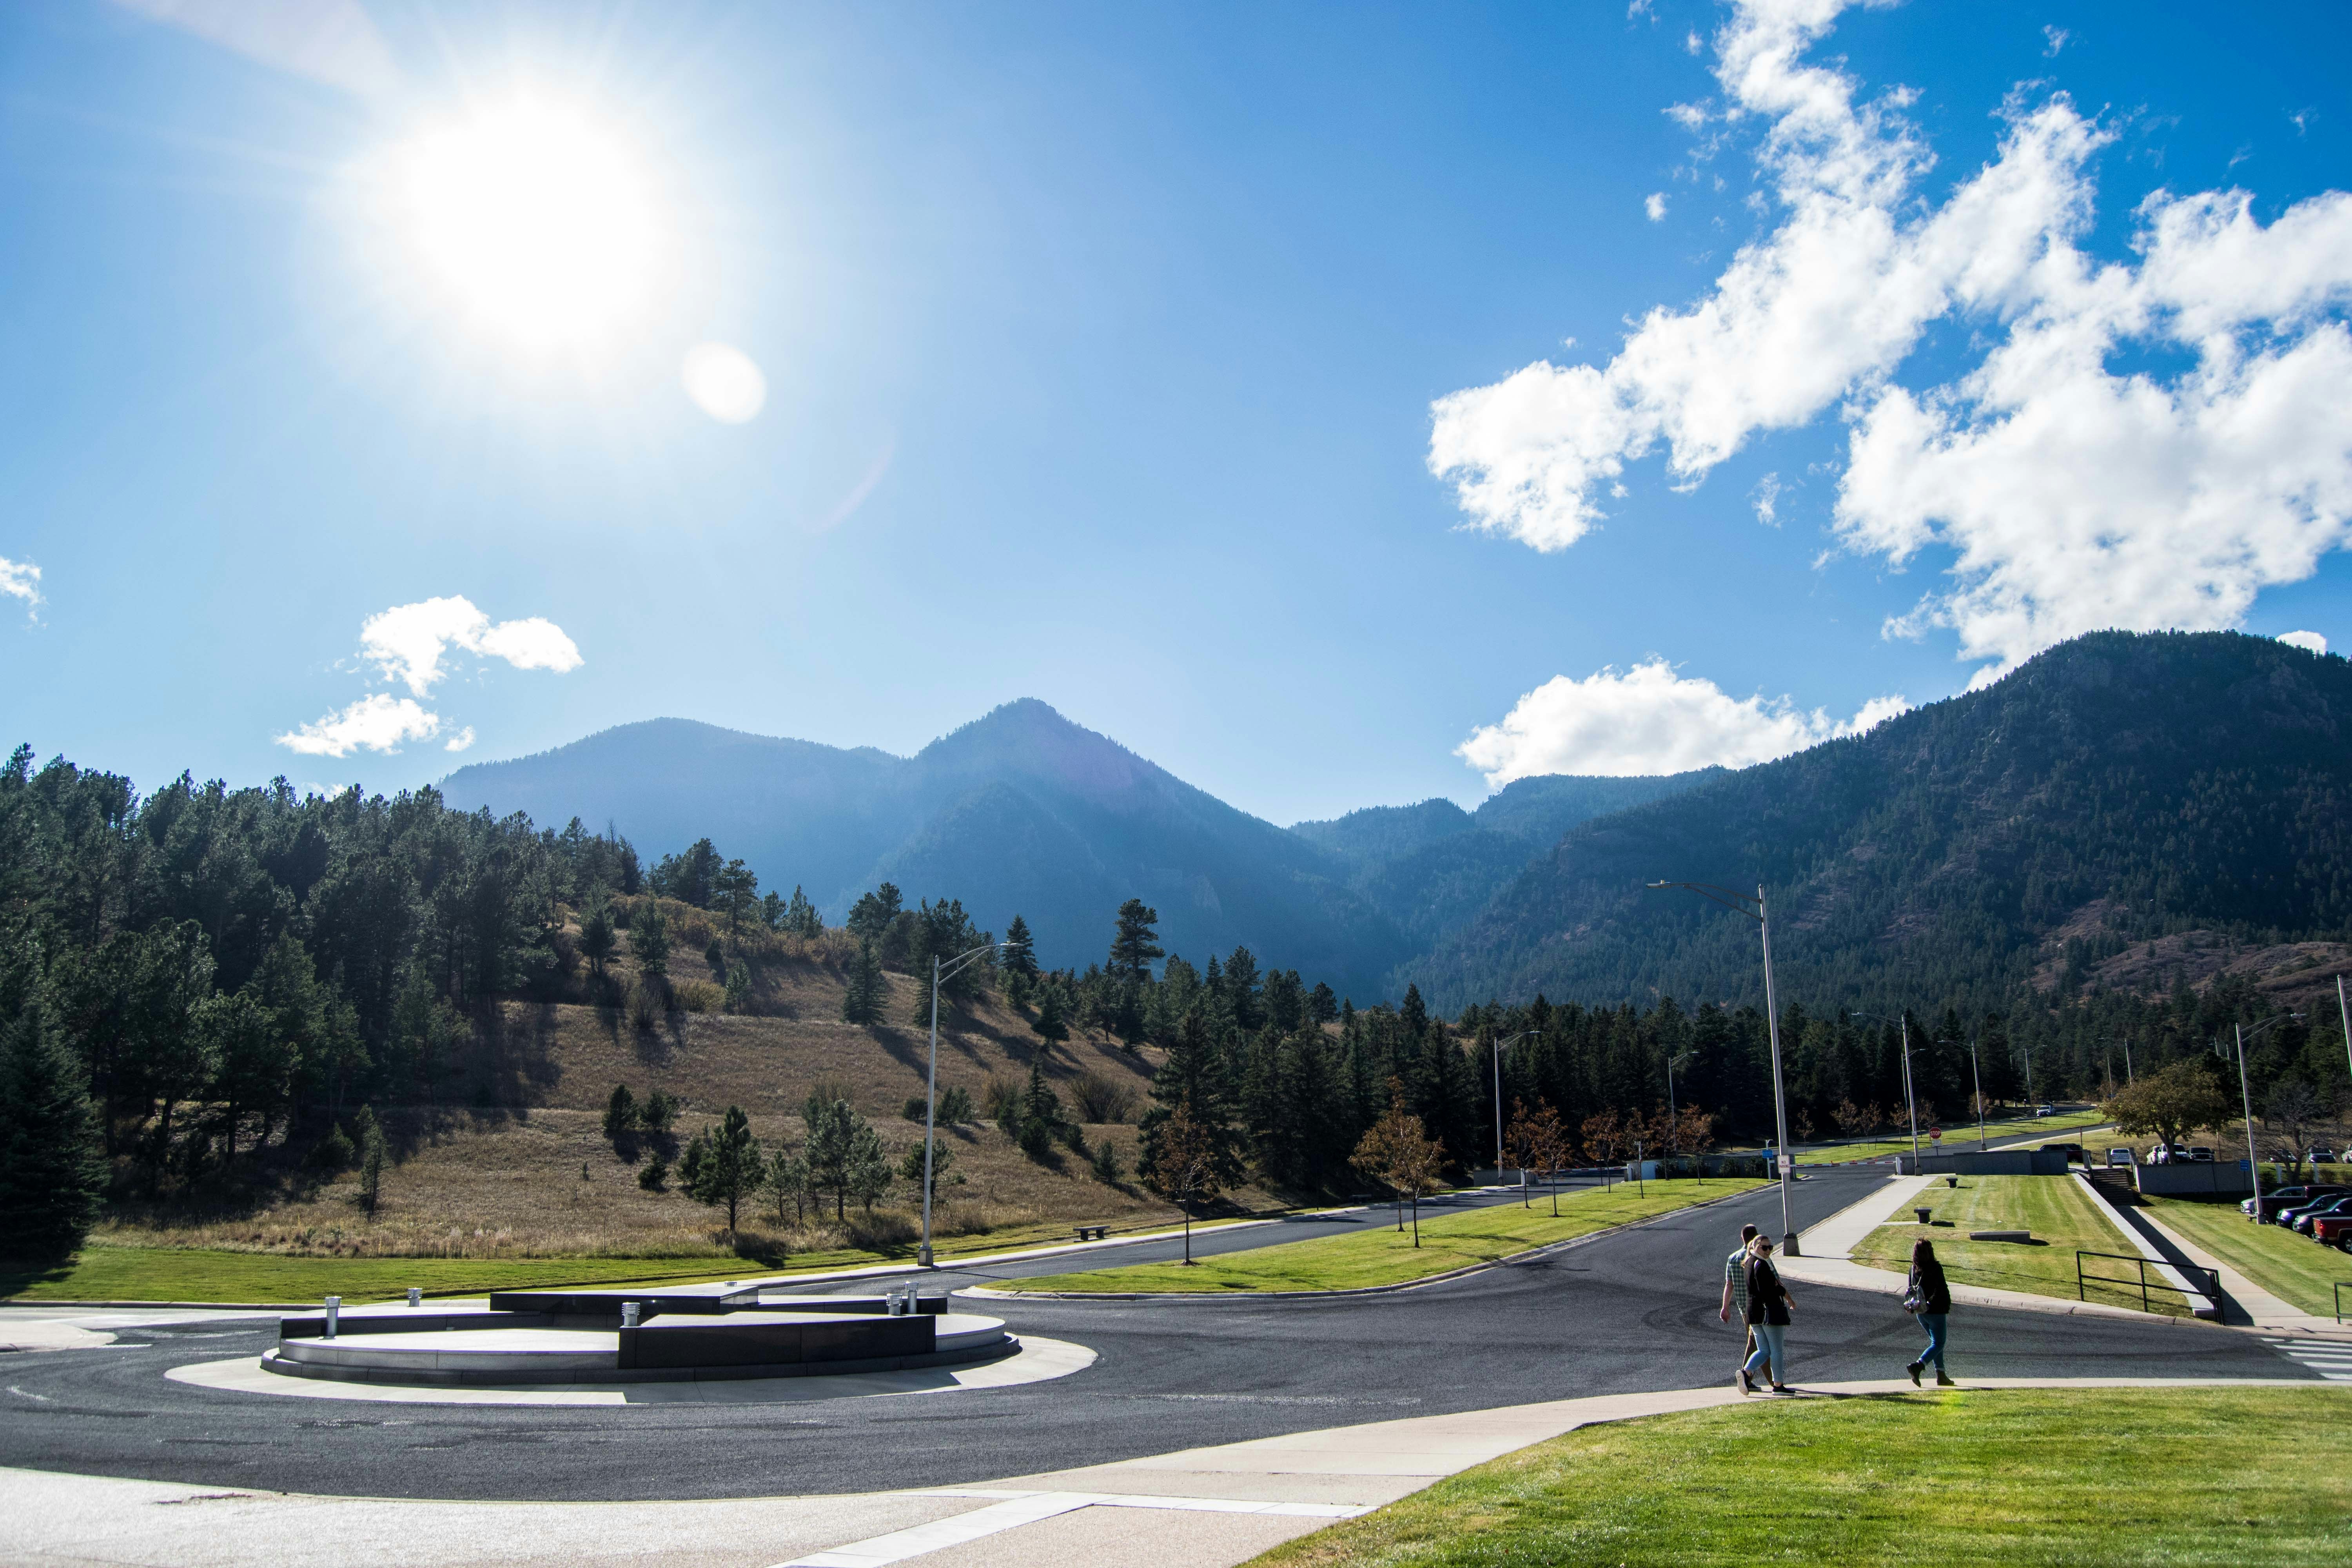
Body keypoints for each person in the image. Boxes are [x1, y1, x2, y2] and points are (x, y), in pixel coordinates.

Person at [1738, 1235, 1794, 1394]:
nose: (1768, 1250)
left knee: (1764, 1350)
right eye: (1764, 1247)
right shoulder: (1761, 1265)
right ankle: (1778, 1385)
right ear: (1755, 1246)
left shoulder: (1748, 1263)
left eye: (1770, 1247)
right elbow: (1767, 1290)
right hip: (1768, 1313)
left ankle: (1746, 1373)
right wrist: (1783, 1292)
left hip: (1754, 1313)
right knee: (1776, 1350)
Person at [1905, 1237, 1954, 1387]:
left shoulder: (1913, 1268)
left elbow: (1910, 1290)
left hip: (1921, 1313)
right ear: (1930, 1252)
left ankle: (1941, 1375)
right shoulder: (1935, 1268)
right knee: (1938, 1343)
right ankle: (1918, 1366)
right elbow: (1940, 1289)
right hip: (1936, 1311)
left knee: (1936, 1344)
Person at [1718, 1223, 1759, 1370]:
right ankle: (1746, 1375)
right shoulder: (1758, 1257)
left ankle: (1749, 1377)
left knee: (1754, 1342)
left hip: (1743, 1307)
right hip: (1759, 1306)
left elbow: (1729, 1285)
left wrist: (1725, 1307)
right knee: (1757, 1343)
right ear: (1757, 1238)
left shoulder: (1733, 1258)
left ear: (1742, 1238)